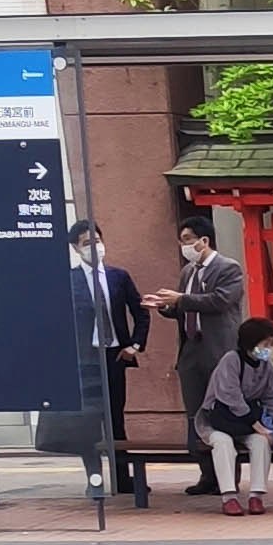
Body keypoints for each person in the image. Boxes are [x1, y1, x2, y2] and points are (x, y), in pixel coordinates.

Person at [69, 217, 151, 506]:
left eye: (98, 240)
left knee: (116, 418)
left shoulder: (119, 276)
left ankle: (122, 477)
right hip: (86, 360)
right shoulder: (69, 279)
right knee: (89, 423)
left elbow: (141, 312)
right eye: (87, 243)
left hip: (115, 355)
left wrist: (135, 345)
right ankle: (94, 479)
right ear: (77, 248)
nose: (95, 247)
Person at [160, 218, 244, 498]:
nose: (184, 245)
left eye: (187, 239)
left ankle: (228, 478)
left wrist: (180, 299)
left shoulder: (228, 268)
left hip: (219, 351)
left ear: (204, 241)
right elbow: (185, 308)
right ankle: (206, 474)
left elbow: (219, 301)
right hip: (191, 350)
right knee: (196, 414)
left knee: (222, 412)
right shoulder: (187, 272)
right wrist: (165, 306)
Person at [195, 313, 273, 513]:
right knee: (223, 444)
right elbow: (230, 395)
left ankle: (256, 496)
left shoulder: (267, 366)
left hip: (247, 424)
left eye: (272, 344)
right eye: (265, 343)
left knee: (261, 442)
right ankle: (229, 497)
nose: (268, 349)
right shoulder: (231, 360)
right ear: (251, 342)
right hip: (219, 420)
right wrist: (257, 425)